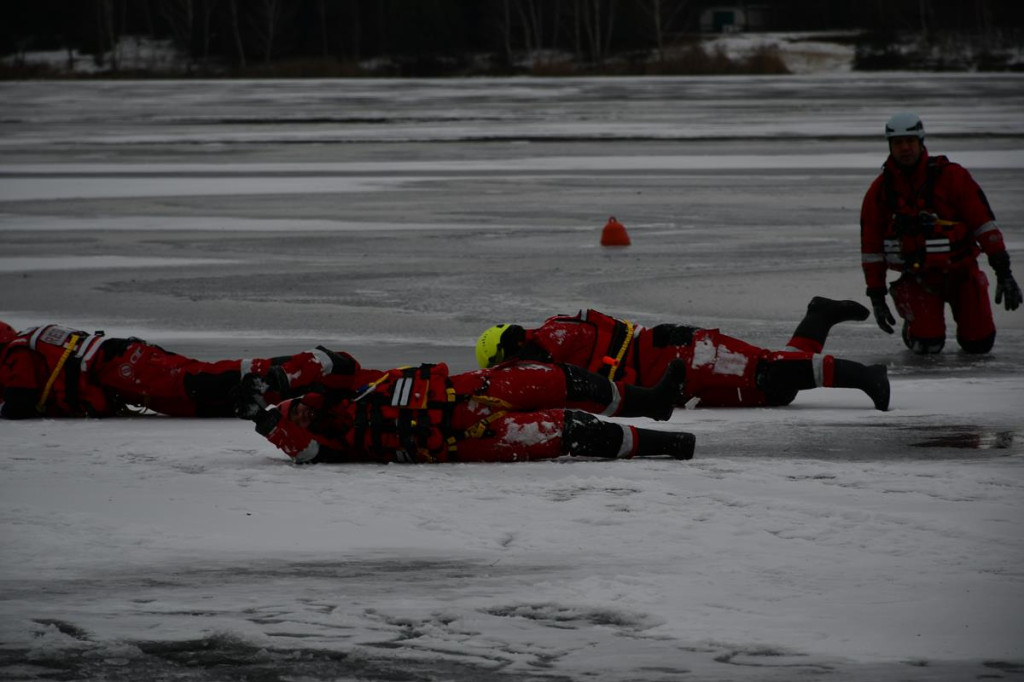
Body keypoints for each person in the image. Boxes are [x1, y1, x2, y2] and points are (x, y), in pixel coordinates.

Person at [239, 355, 696, 464]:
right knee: (572, 430)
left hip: (470, 390)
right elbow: (306, 452)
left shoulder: (345, 388)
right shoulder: (333, 446)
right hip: (471, 438)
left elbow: (332, 362)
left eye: (296, 410)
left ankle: (653, 402)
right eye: (294, 421)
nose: (301, 417)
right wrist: (267, 424)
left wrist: (285, 376)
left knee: (563, 379)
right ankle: (667, 445)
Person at [474, 297, 890, 411]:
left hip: (679, 351)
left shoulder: (552, 334)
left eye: (504, 362)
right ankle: (819, 315)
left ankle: (863, 375)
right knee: (776, 390)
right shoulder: (544, 349)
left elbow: (544, 362)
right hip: (675, 383)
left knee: (768, 371)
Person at [860, 112, 1021, 354]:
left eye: (910, 141)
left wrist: (1004, 271)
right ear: (890, 146)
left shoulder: (953, 177)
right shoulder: (880, 192)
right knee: (927, 347)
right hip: (918, 279)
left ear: (921, 142)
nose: (905, 148)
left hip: (962, 274)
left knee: (979, 344)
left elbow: (984, 224)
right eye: (898, 143)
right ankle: (915, 327)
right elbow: (871, 248)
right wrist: (876, 295)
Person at [0, 320, 348, 419]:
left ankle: (310, 365)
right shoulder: (28, 340)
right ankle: (305, 389)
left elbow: (20, 402)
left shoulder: (16, 354)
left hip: (122, 367)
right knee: (203, 400)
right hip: (121, 368)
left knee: (201, 382)